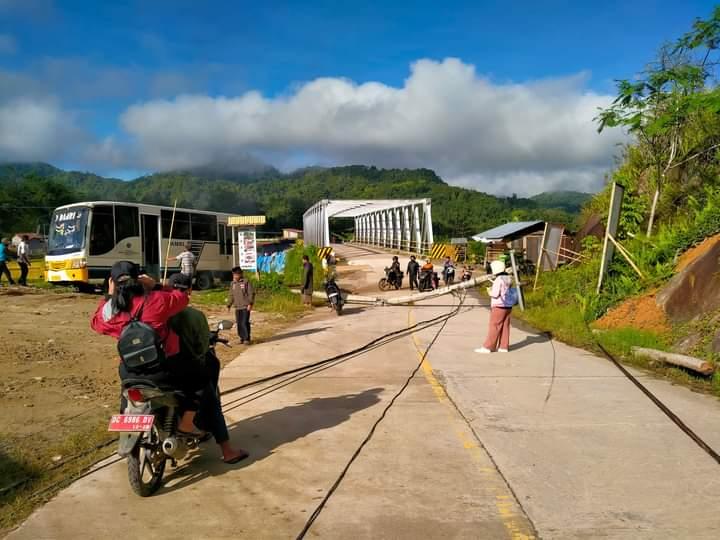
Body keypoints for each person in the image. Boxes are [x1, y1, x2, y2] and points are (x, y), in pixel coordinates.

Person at [90, 261, 201, 435]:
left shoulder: (111, 310)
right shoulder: (157, 299)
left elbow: (96, 324)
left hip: (130, 370)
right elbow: (182, 298)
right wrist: (156, 285)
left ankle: (127, 421)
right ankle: (187, 424)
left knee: (126, 392)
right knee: (199, 378)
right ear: (139, 278)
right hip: (163, 369)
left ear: (112, 282)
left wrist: (109, 297)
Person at [168, 273, 248, 464]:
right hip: (186, 370)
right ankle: (228, 451)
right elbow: (202, 348)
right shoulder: (194, 315)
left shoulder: (156, 313)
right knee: (211, 400)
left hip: (157, 371)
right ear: (189, 291)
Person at [475, 260, 514, 354]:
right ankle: (503, 347)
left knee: (494, 326)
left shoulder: (498, 280)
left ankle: (488, 347)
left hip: (499, 306)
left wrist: (489, 291)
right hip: (508, 306)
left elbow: (495, 294)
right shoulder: (508, 278)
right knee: (505, 326)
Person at [226, 267, 255, 344]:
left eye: (236, 274)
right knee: (239, 323)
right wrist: (228, 305)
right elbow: (231, 295)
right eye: (234, 274)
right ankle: (242, 338)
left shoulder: (246, 282)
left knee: (244, 322)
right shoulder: (233, 284)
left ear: (240, 274)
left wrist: (250, 303)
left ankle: (247, 338)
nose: (235, 276)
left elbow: (251, 293)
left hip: (245, 306)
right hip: (237, 307)